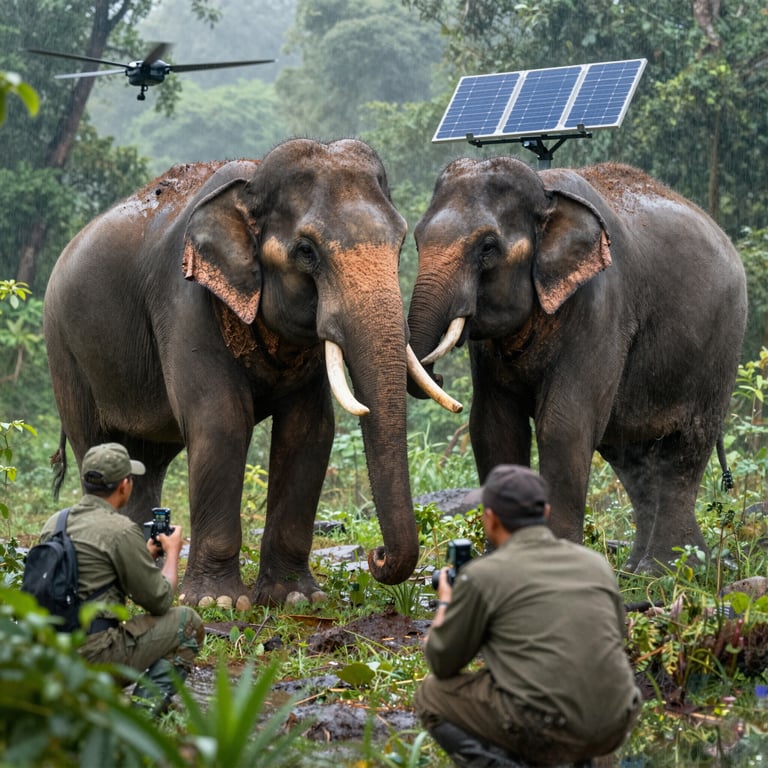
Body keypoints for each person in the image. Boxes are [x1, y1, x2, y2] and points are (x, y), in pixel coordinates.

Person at [415, 464, 641, 768]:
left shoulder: (483, 576)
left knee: (431, 695)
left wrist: (446, 603)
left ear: (490, 519)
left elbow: (443, 662)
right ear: (546, 513)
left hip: (548, 724)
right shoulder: (595, 563)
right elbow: (618, 636)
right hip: (618, 719)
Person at [36, 442, 204, 713]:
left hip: (48, 653)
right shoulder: (121, 530)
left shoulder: (54, 523)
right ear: (124, 485)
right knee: (187, 623)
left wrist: (144, 556)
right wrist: (172, 553)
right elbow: (160, 601)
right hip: (93, 656)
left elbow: (82, 579)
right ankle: (140, 715)